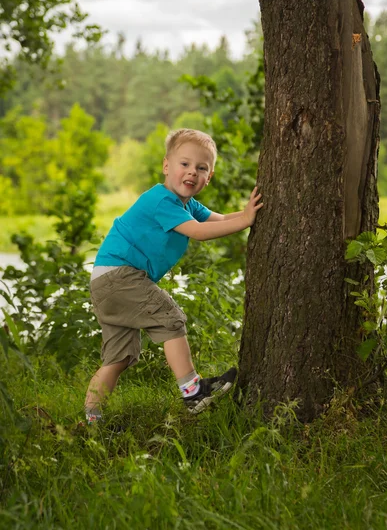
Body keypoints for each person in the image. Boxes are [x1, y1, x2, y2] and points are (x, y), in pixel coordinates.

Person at [85, 128, 263, 423]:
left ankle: (91, 418)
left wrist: (248, 214)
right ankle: (193, 392)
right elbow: (199, 232)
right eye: (184, 164)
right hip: (120, 276)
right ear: (166, 166)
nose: (192, 172)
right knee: (170, 318)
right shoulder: (160, 200)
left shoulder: (187, 204)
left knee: (119, 357)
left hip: (107, 281)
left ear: (209, 177)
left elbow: (219, 220)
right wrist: (245, 220)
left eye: (201, 168)